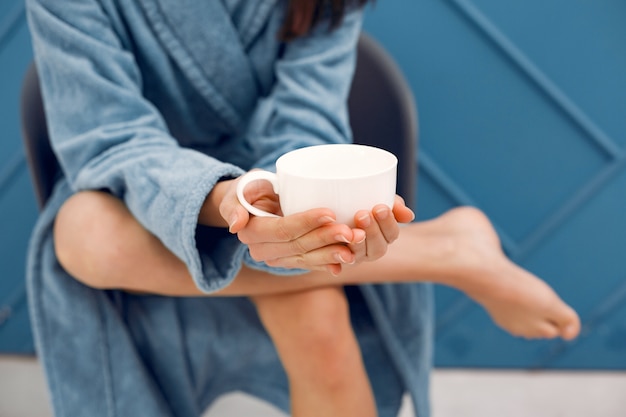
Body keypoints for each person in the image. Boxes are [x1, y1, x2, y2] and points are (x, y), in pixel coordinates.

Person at [24, 0, 581, 416]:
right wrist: (228, 202)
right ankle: (443, 252)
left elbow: (306, 119)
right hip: (149, 193)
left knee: (318, 319)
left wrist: (282, 204)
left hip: (280, 177)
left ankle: (441, 250)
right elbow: (110, 138)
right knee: (81, 236)